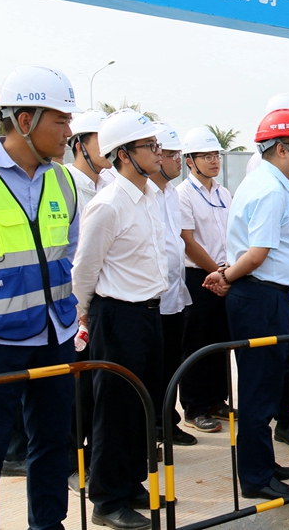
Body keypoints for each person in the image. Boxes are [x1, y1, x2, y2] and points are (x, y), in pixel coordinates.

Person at [0, 66, 81, 530]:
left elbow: (69, 253)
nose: (68, 131)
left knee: (54, 442)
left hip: (55, 334)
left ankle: (48, 525)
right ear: (24, 121)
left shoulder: (64, 181)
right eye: (60, 120)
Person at [202, 108, 289, 500]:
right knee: (258, 391)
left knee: (263, 385)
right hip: (260, 295)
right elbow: (257, 254)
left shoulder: (261, 181)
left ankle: (263, 462)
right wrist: (227, 277)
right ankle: (256, 478)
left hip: (261, 294)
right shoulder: (270, 190)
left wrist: (228, 274)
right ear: (282, 149)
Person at [72, 108, 169, 529]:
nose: (158, 152)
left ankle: (130, 482)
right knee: (113, 410)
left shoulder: (150, 197)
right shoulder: (108, 205)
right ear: (124, 155)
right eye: (150, 146)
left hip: (149, 312)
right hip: (116, 316)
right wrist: (83, 317)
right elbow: (84, 269)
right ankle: (107, 500)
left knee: (140, 405)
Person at [64, 108, 113, 494]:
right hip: (74, 302)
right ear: (79, 144)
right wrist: (78, 307)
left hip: (100, 303)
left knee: (98, 394)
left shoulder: (107, 184)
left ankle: (96, 464)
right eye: (100, 139)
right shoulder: (66, 183)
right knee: (76, 395)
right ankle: (71, 466)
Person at [176, 127, 234, 432]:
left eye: (216, 155)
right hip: (199, 276)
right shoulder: (183, 195)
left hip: (223, 273)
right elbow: (187, 241)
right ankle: (195, 407)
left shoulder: (224, 193)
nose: (214, 161)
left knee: (220, 341)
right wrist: (217, 272)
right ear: (190, 160)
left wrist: (226, 272)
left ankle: (216, 400)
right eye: (206, 156)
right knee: (196, 342)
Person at [149, 126, 197, 446]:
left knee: (171, 364)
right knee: (154, 366)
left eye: (178, 154)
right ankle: (154, 423)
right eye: (170, 154)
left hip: (175, 293)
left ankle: (167, 420)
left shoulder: (170, 194)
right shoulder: (145, 194)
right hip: (152, 297)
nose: (176, 160)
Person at [66, 109, 114, 213]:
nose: (110, 148)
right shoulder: (65, 185)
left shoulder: (110, 186)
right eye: (102, 142)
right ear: (79, 147)